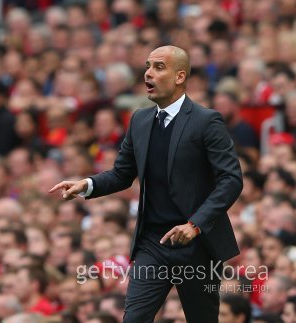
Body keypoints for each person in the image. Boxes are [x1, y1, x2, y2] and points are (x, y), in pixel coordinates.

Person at [50, 46, 243, 322]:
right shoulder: (139, 119)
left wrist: (195, 225)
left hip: (196, 245)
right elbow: (121, 174)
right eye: (147, 66)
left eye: (158, 67)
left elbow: (231, 180)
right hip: (152, 244)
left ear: (179, 77)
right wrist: (87, 184)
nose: (148, 73)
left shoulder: (206, 121)